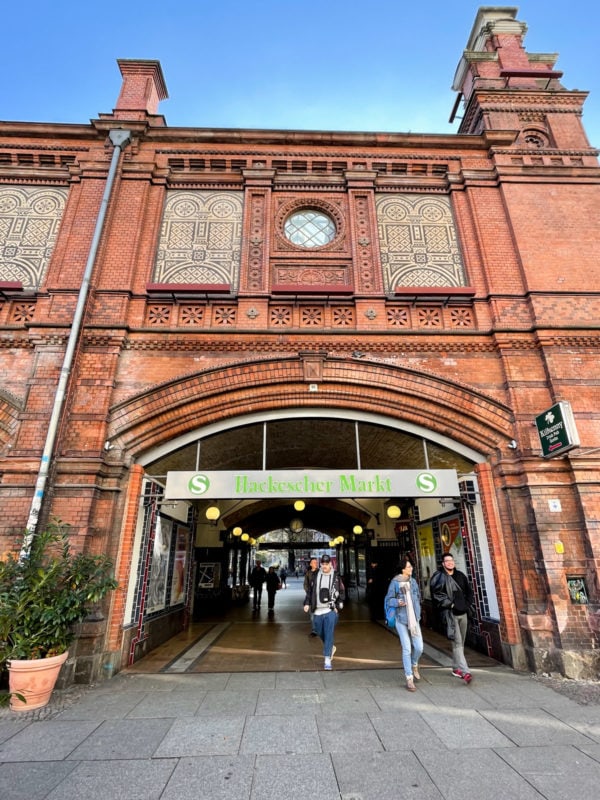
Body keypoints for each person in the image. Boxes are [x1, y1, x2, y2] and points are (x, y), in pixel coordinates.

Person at [430, 552, 475, 684]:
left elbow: (469, 592)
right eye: (447, 561)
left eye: (451, 560)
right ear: (443, 564)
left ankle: (456, 668)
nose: (450, 563)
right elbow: (437, 595)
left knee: (461, 642)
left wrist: (466, 605)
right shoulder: (439, 577)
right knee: (457, 643)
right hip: (451, 615)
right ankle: (465, 671)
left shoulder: (460, 575)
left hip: (463, 614)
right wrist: (452, 604)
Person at [384, 556, 423, 692]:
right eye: (408, 567)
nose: (411, 569)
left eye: (411, 567)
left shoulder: (413, 582)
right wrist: (397, 602)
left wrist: (418, 611)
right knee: (407, 648)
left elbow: (418, 597)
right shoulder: (395, 582)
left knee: (419, 647)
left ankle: (414, 664)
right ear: (402, 569)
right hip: (401, 618)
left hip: (414, 619)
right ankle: (409, 678)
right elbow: (389, 600)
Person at [303, 554, 345, 670]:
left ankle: (327, 660)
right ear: (321, 564)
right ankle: (330, 647)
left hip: (330, 610)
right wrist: (307, 603)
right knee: (318, 630)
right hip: (317, 610)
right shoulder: (315, 575)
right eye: (323, 564)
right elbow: (310, 591)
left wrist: (338, 604)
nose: (325, 566)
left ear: (330, 564)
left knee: (329, 632)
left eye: (327, 564)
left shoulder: (336, 577)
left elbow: (341, 591)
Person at [303, 557, 319, 636]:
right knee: (312, 615)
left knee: (320, 614)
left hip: (319, 597)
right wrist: (309, 593)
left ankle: (320, 629)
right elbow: (305, 584)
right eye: (314, 562)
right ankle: (314, 631)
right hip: (311, 597)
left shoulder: (320, 572)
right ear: (310, 564)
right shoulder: (308, 573)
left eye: (316, 562)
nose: (315, 563)